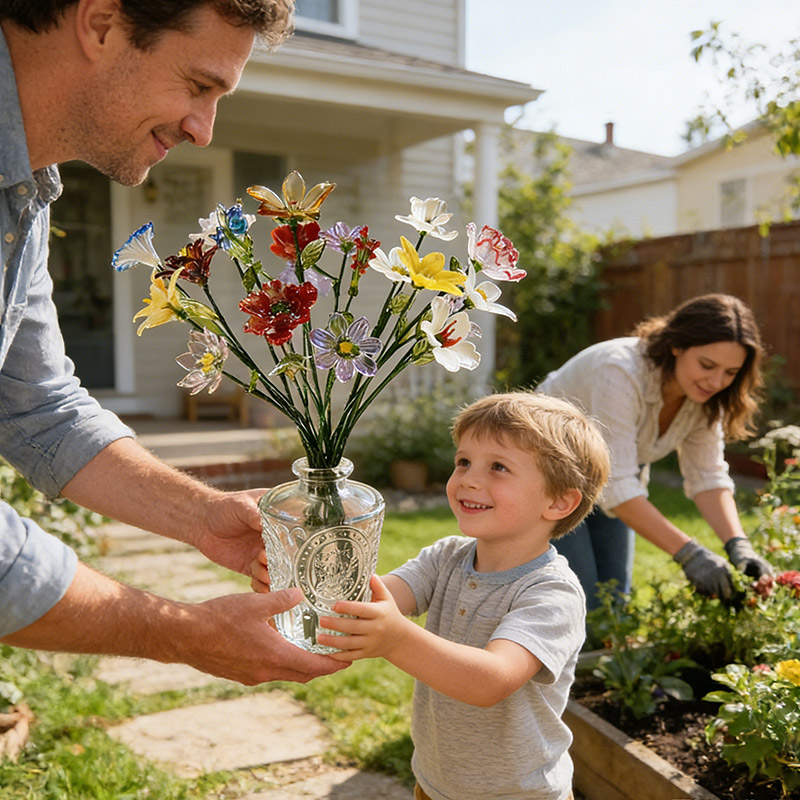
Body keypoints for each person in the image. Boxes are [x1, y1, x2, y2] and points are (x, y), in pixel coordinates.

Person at [0, 0, 346, 685]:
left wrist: (202, 515)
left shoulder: (23, 198)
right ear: (101, 24)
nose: (203, 131)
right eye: (197, 85)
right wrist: (184, 632)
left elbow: (38, 409)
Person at [253, 392, 611, 800]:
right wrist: (298, 586)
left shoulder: (551, 593)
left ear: (559, 501)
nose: (468, 479)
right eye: (464, 461)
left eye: (498, 467)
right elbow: (366, 601)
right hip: (434, 784)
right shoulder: (446, 557)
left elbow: (491, 681)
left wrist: (396, 640)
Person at [537, 293, 773, 611]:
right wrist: (689, 554)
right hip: (546, 475)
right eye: (707, 365)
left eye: (731, 372)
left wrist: (738, 545)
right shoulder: (619, 371)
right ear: (677, 345)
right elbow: (618, 484)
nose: (717, 381)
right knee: (580, 601)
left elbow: (708, 477)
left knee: (614, 604)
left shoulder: (705, 397)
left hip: (608, 477)